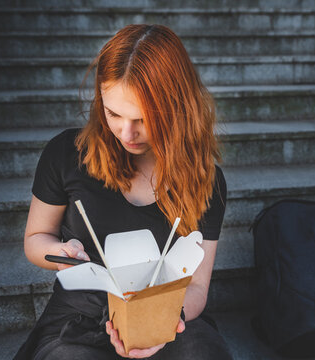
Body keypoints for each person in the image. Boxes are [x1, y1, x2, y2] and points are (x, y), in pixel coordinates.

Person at [14, 24, 233, 360]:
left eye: (143, 119)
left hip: (164, 316)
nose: (126, 132)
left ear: (177, 108)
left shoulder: (205, 178)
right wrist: (60, 251)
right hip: (79, 319)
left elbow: (198, 287)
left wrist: (163, 321)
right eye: (113, 113)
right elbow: (35, 238)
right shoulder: (67, 153)